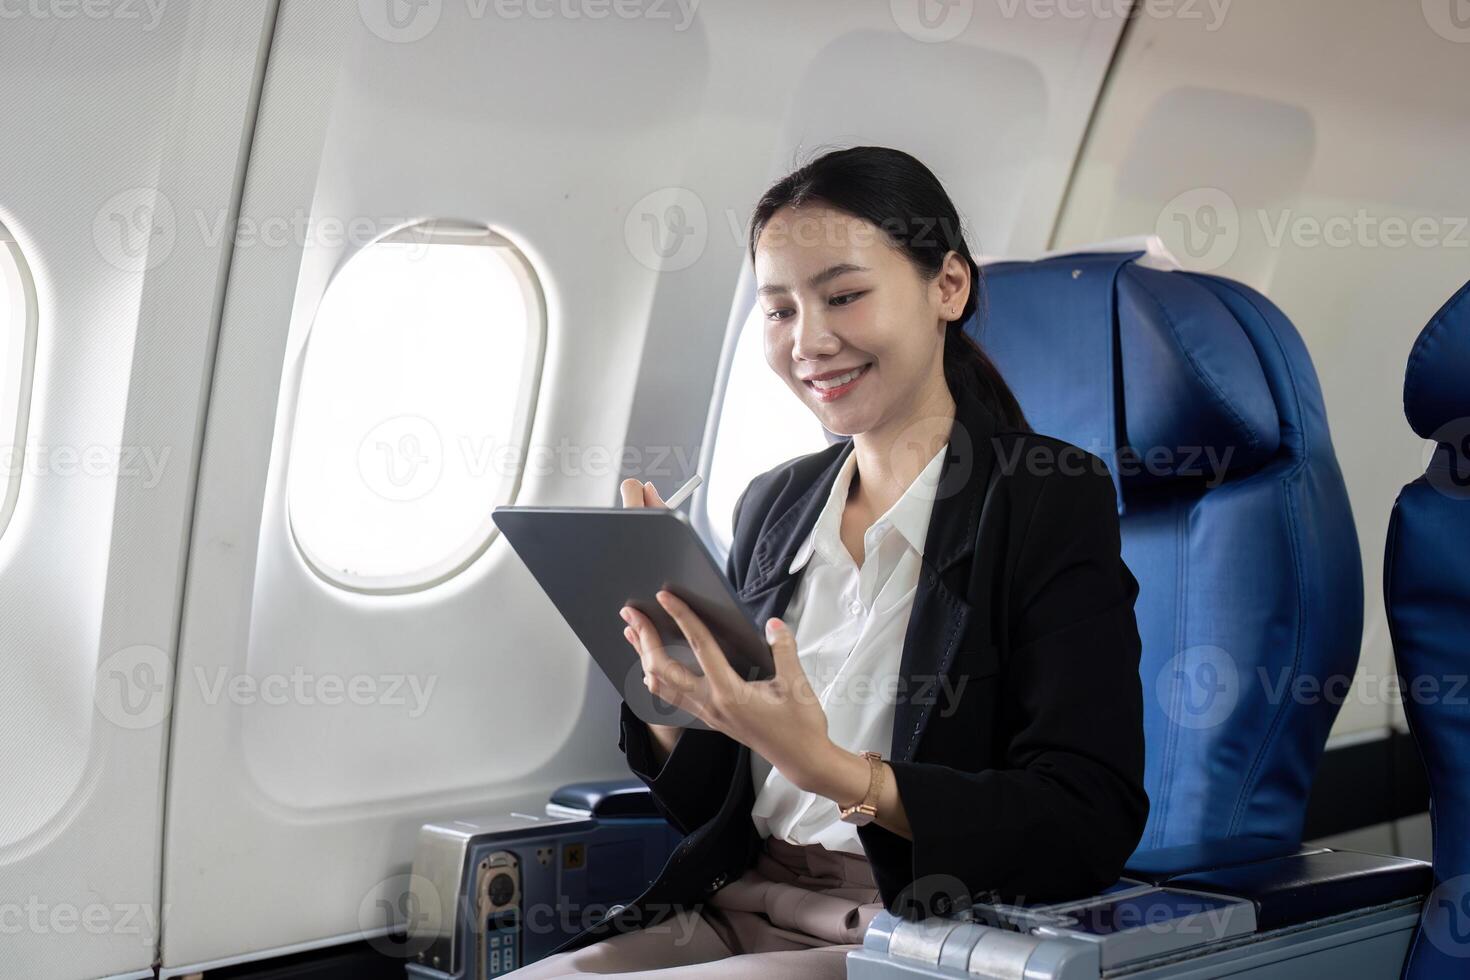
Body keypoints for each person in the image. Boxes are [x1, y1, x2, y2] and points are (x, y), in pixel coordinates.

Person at [509, 145, 1147, 978]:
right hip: (739, 899)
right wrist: (670, 689)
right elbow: (716, 804)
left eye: (844, 296)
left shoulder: (1045, 499)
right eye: (778, 312)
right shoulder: (776, 503)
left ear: (946, 287)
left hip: (905, 924)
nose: (809, 342)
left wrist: (842, 774)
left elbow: (1086, 817)